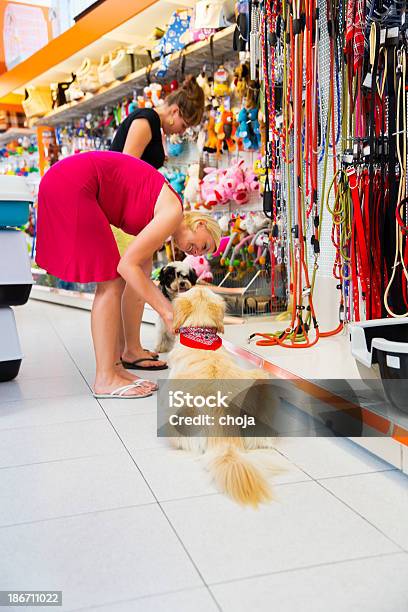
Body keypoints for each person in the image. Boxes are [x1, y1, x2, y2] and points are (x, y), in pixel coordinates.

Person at [35, 151, 221, 399]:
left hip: (68, 180)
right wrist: (167, 312)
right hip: (73, 184)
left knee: (117, 280)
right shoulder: (172, 213)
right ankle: (105, 378)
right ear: (200, 225)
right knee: (111, 282)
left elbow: (137, 280)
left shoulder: (163, 216)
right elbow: (127, 267)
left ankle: (115, 368)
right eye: (205, 245)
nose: (198, 254)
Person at [110, 75, 205, 371]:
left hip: (133, 213)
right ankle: (130, 349)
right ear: (175, 111)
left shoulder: (152, 125)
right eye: (184, 126)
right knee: (134, 277)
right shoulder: (146, 120)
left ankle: (130, 346)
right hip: (123, 211)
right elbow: (126, 168)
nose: (181, 132)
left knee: (136, 278)